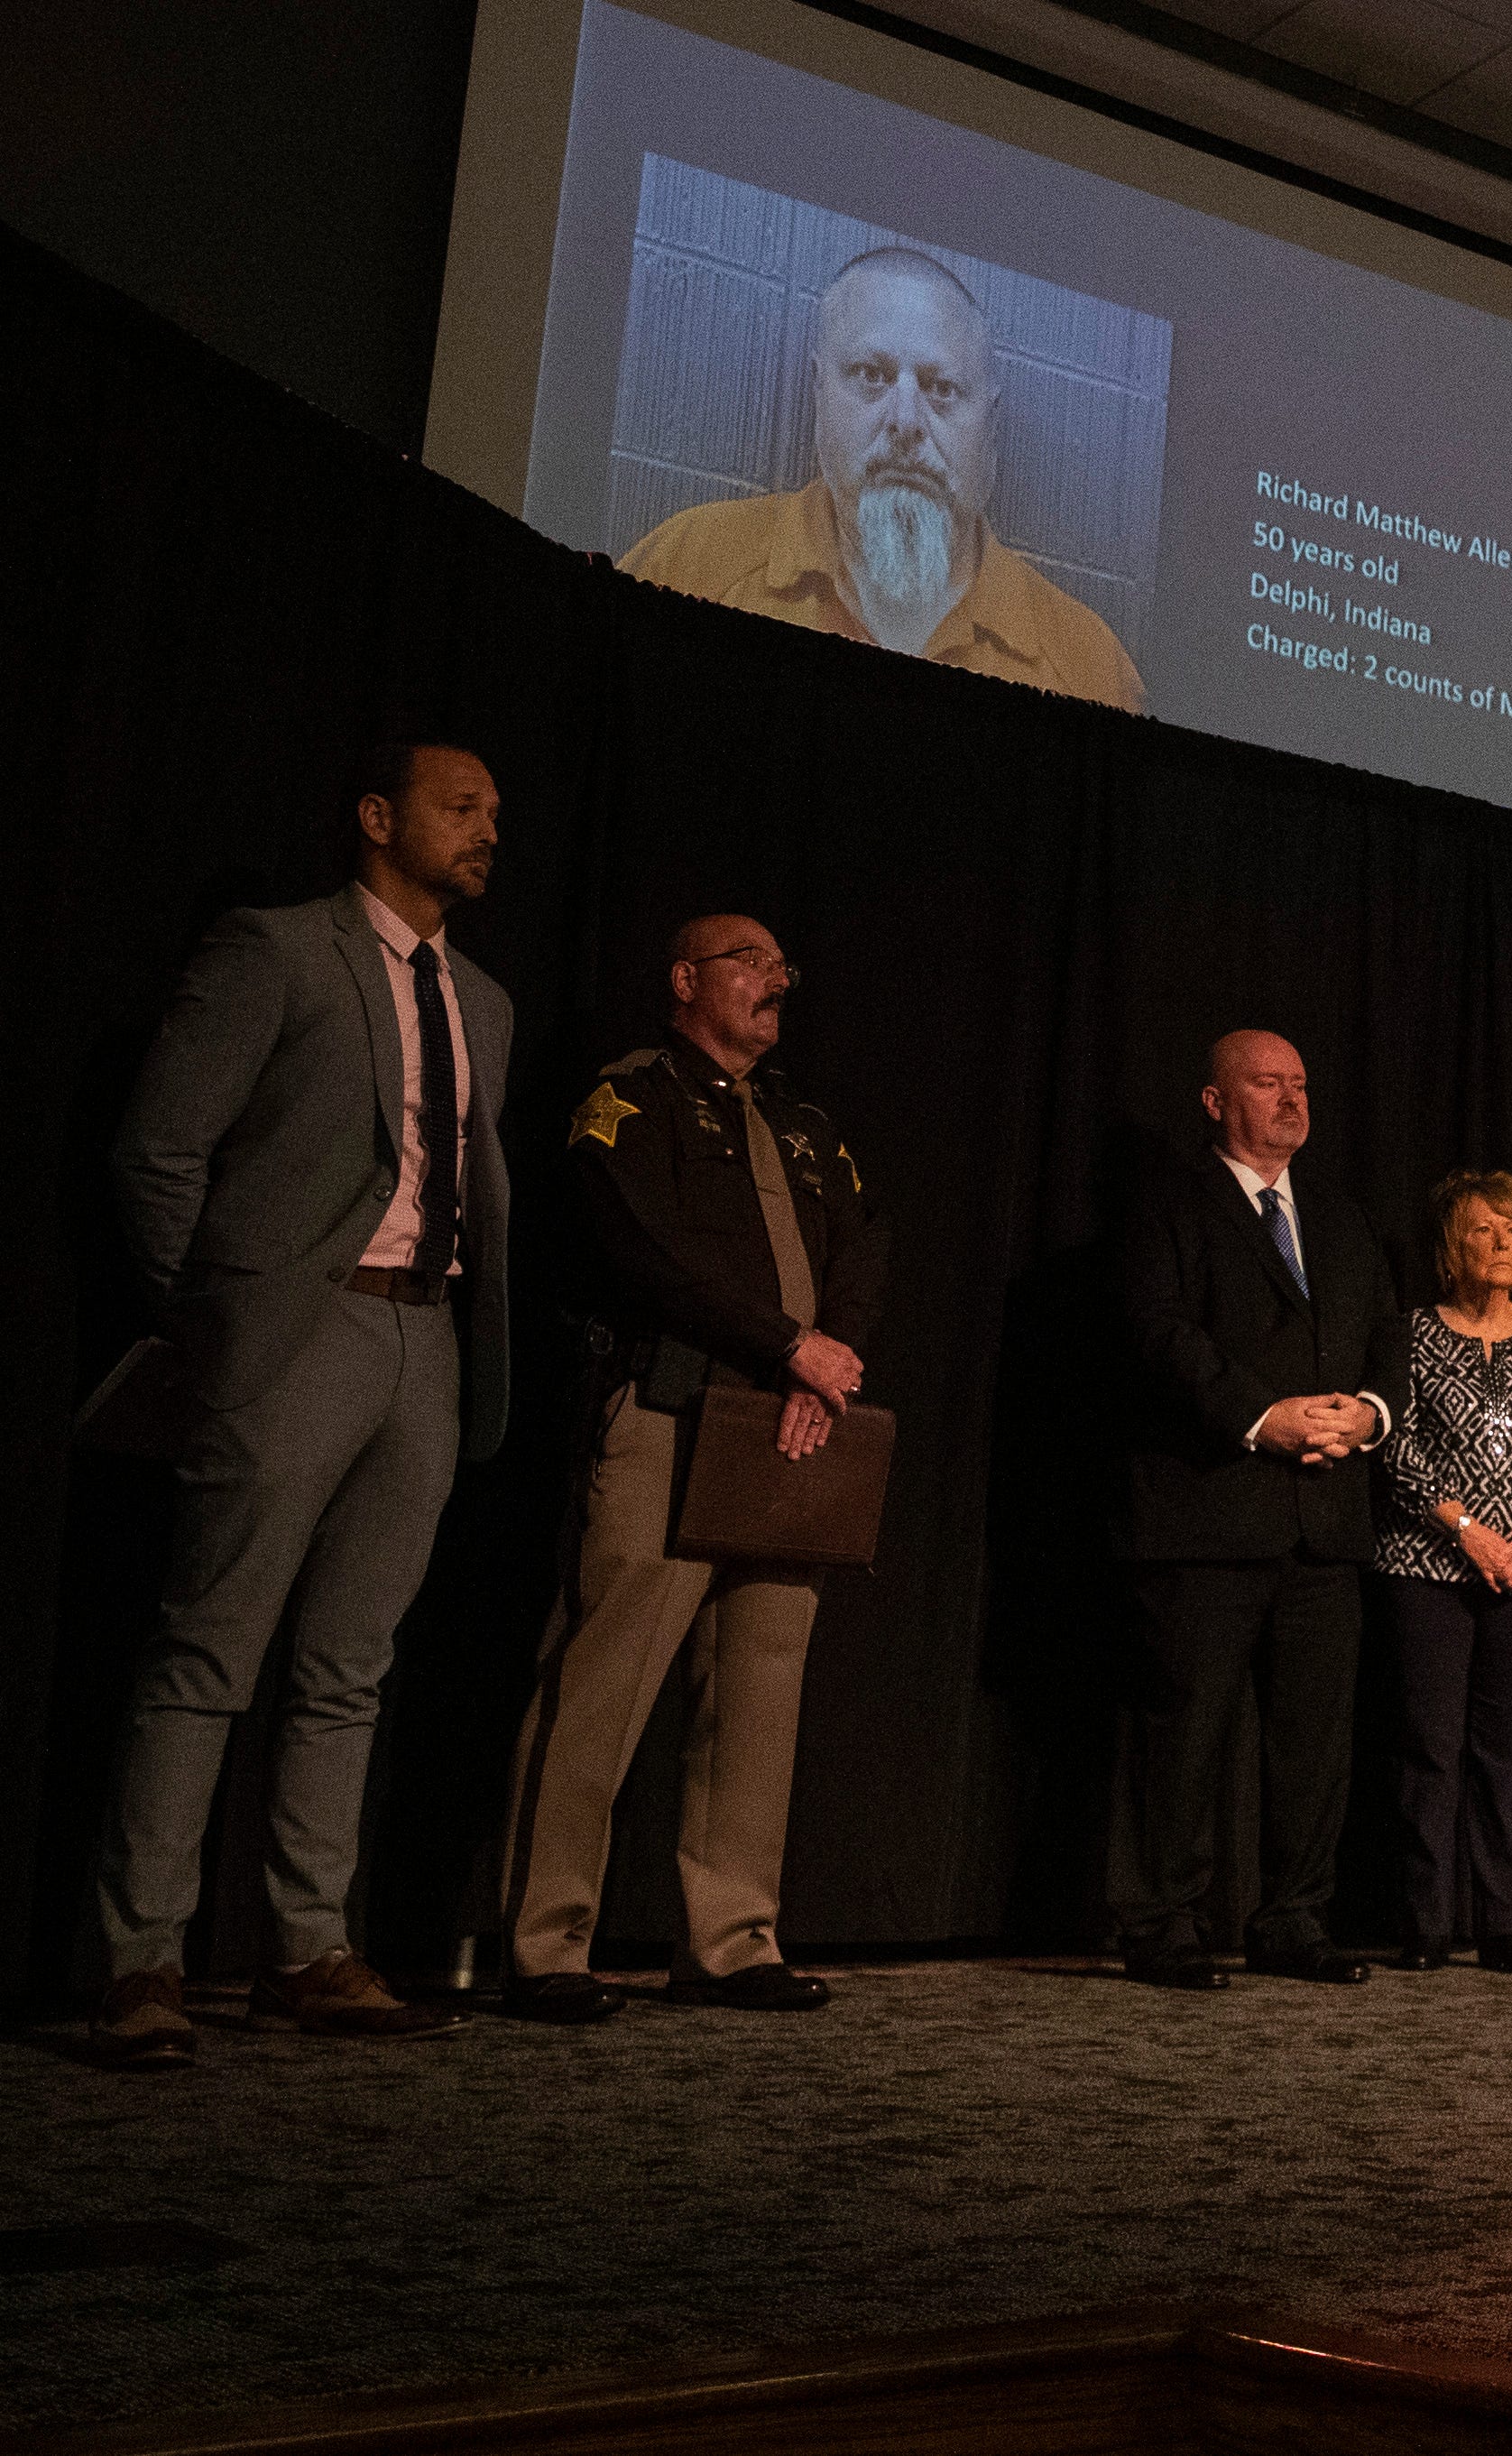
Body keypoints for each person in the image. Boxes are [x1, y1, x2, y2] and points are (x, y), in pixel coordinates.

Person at [88, 743, 512, 2068]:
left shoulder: (483, 999)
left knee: (349, 1667)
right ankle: (140, 1957)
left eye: (496, 812)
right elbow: (160, 1148)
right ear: (378, 817)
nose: (487, 828)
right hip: (297, 1328)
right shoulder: (277, 951)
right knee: (210, 1652)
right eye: (462, 805)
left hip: (424, 1343)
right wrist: (223, 1318)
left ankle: (304, 1947)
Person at [502, 913, 881, 2020]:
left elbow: (866, 1242)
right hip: (674, 1406)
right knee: (604, 1677)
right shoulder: (635, 1098)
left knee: (762, 1683)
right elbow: (639, 1249)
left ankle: (730, 1937)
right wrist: (784, 1344)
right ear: (684, 978)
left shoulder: (806, 1123)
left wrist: (828, 1364)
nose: (774, 983)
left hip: (792, 1426)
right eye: (749, 964)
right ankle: (548, 1943)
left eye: (782, 968)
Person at [1093, 1030, 1406, 1993]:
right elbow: (1156, 1331)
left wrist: (1369, 1412)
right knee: (1183, 1731)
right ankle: (1160, 1922)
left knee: (1314, 1742)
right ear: (1215, 1100)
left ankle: (1294, 1918)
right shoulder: (1168, 1207)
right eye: (1267, 1083)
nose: (1290, 1100)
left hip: (1326, 1517)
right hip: (1208, 1513)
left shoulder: (1343, 1217)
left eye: (1301, 1084)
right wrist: (1259, 1416)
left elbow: (1387, 1338)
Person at [620, 246, 1146, 713]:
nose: (906, 421)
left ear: (990, 424)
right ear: (818, 391)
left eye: (940, 387)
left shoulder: (1090, 668)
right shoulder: (685, 566)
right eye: (872, 375)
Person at [1375, 1171, 1512, 1978]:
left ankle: (1507, 1926)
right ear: (1448, 1248)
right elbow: (1394, 1445)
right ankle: (1425, 1925)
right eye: (1480, 1231)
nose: (1500, 1244)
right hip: (1428, 1564)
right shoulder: (1410, 1335)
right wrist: (1465, 1529)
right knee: (1429, 1745)